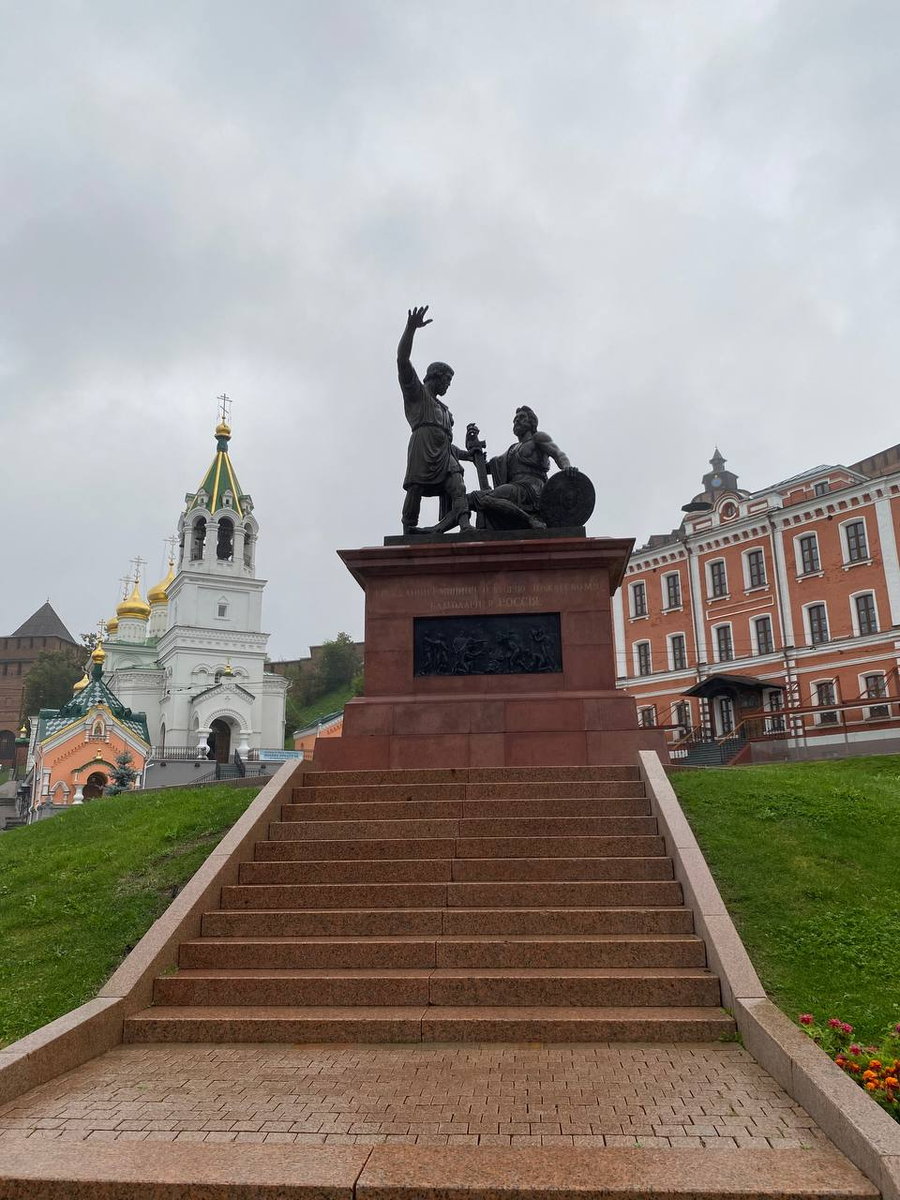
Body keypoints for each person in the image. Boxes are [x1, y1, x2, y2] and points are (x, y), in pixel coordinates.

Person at [397, 306, 471, 534]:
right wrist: (411, 328)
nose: (448, 386)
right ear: (435, 378)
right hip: (422, 446)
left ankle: (465, 524)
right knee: (416, 486)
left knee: (458, 484)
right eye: (446, 381)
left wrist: (469, 455)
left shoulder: (446, 411)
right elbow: (402, 359)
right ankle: (409, 526)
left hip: (444, 453)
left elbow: (448, 444)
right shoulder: (416, 393)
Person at [469, 406, 574, 529]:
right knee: (473, 498)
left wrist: (567, 468)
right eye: (515, 419)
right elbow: (487, 469)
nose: (517, 421)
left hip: (532, 489)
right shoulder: (511, 450)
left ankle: (531, 519)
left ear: (532, 422)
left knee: (485, 499)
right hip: (515, 487)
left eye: (522, 417)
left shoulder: (538, 438)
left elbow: (559, 454)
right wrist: (475, 450)